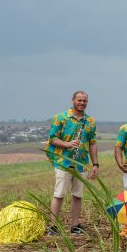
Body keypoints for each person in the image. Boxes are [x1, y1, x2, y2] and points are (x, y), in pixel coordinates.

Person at [45, 91, 99, 235]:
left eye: (84, 101)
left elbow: (92, 143)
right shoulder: (60, 117)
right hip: (63, 161)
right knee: (59, 194)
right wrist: (67, 144)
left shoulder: (90, 121)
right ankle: (53, 226)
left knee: (78, 195)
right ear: (73, 100)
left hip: (81, 163)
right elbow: (53, 139)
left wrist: (95, 164)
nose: (82, 103)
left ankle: (75, 226)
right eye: (79, 100)